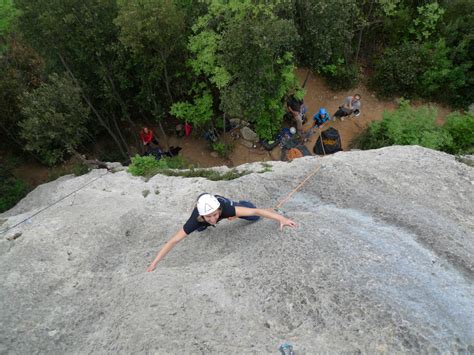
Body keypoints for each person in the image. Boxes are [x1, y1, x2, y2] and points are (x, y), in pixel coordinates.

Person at [146, 193, 297, 271]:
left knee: (253, 217)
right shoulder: (195, 219)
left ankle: (240, 203)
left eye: (215, 215)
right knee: (200, 228)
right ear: (201, 215)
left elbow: (256, 210)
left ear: (219, 211)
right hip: (204, 208)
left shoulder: (225, 209)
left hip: (220, 201)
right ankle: (204, 223)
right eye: (209, 216)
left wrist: (281, 219)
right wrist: (154, 263)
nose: (213, 219)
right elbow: (173, 240)